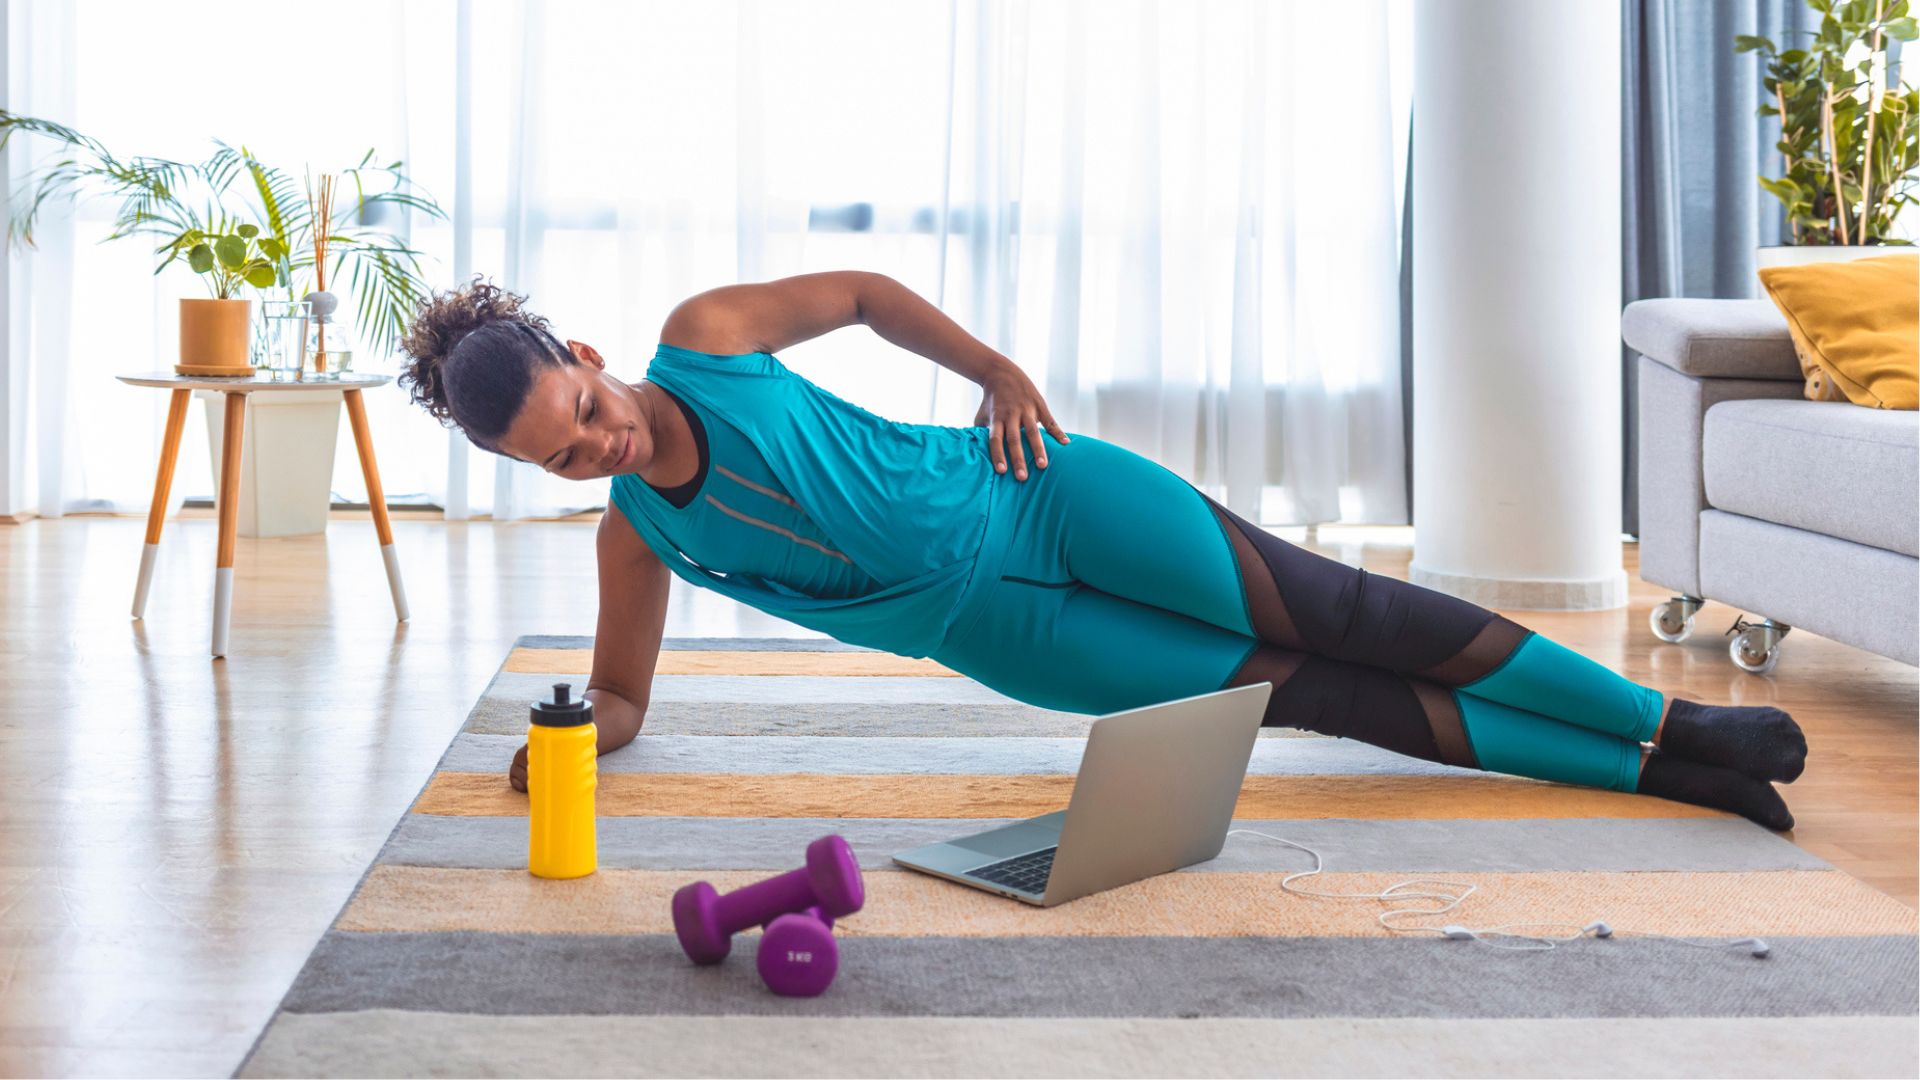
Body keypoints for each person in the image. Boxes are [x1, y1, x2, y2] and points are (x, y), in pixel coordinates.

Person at [396, 271, 1808, 830]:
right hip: (1011, 638)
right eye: (564, 457)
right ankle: (1655, 775)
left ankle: (1670, 717)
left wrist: (997, 367)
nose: (598, 448)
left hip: (1040, 491)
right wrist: (582, 739)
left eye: (581, 411)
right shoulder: (636, 543)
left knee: (1345, 606)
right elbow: (629, 694)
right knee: (1303, 686)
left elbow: (872, 297)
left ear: (584, 357)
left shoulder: (707, 337)